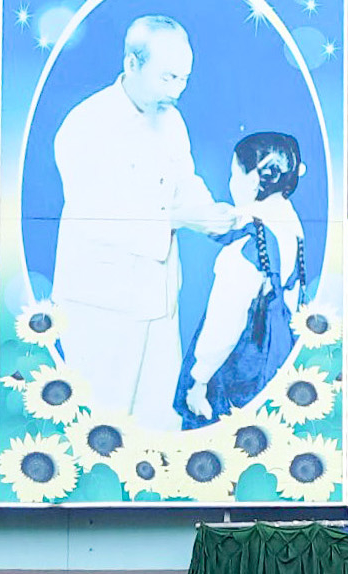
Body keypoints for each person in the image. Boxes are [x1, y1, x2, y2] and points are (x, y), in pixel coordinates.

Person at [51, 15, 235, 428]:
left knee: (157, 423)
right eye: (168, 77)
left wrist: (208, 215)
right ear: (132, 64)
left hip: (159, 297)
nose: (178, 90)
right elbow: (97, 214)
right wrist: (177, 218)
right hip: (101, 300)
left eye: (184, 78)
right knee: (103, 424)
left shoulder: (170, 120)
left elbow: (183, 181)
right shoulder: (85, 125)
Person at [179, 133, 307, 427]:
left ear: (254, 179)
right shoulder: (290, 222)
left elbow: (224, 324)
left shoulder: (244, 250)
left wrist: (199, 381)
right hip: (278, 353)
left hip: (239, 366)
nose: (230, 182)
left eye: (234, 173)